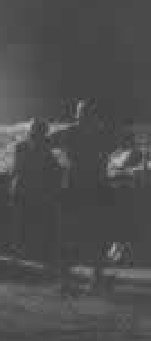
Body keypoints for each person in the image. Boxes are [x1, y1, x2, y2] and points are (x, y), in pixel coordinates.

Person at [49, 99, 117, 290]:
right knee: (96, 233)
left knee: (70, 233)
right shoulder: (103, 134)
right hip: (95, 187)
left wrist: (61, 165)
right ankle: (94, 278)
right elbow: (117, 145)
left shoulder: (70, 132)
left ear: (79, 115)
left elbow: (46, 142)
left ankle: (66, 279)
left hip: (75, 186)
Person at [9, 118, 62, 261]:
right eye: (37, 132)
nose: (37, 135)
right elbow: (20, 170)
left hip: (29, 190)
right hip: (27, 190)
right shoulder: (30, 147)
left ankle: (26, 251)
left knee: (28, 222)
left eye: (39, 132)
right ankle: (24, 251)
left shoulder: (26, 147)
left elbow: (17, 170)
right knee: (26, 222)